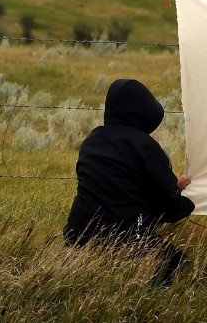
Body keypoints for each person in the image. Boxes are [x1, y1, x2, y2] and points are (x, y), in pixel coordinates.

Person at [64, 78, 195, 287]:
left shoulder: (92, 140)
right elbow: (169, 208)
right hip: (125, 235)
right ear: (146, 111)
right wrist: (185, 201)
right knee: (174, 261)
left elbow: (117, 186)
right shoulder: (145, 146)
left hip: (78, 232)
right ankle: (153, 300)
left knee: (92, 279)